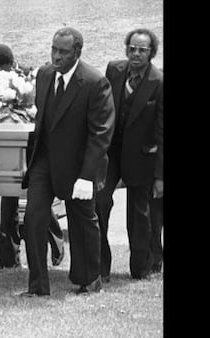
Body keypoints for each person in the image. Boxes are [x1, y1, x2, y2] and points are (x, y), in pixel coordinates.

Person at [21, 27, 115, 296]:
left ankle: (89, 279)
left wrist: (87, 176)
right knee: (33, 219)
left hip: (79, 165)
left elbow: (101, 133)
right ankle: (38, 286)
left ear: (77, 52)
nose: (56, 56)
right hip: (44, 161)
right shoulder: (44, 74)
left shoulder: (95, 82)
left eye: (63, 51)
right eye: (53, 49)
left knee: (83, 222)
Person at [0, 43, 65, 270]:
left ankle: (55, 236)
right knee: (8, 202)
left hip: (34, 148)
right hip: (7, 146)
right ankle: (10, 258)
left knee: (37, 199)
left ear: (9, 65)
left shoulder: (33, 77)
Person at [95, 28, 163, 281]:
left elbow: (161, 131)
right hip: (111, 152)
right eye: (132, 48)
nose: (135, 54)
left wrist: (160, 176)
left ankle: (140, 268)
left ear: (151, 53)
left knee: (139, 215)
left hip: (143, 157)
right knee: (98, 201)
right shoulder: (114, 69)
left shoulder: (159, 82)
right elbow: (102, 108)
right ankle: (100, 266)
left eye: (142, 50)